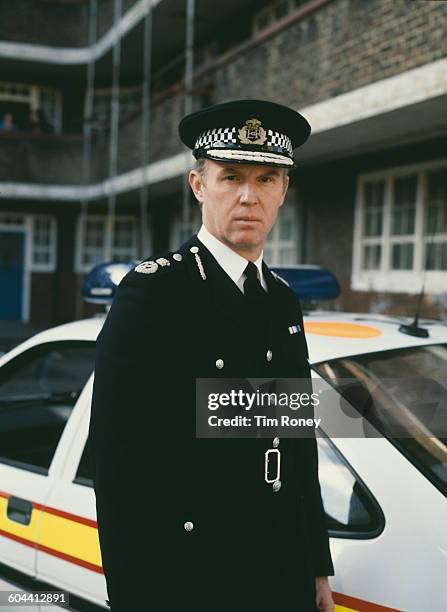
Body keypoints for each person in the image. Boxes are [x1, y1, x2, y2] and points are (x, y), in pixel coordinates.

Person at [88, 99, 335, 611]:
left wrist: (316, 568)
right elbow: (119, 467)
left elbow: (296, 445)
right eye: (231, 177)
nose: (250, 196)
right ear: (199, 186)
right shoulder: (153, 295)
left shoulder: (282, 300)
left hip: (280, 572)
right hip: (193, 578)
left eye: (267, 178)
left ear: (284, 190)